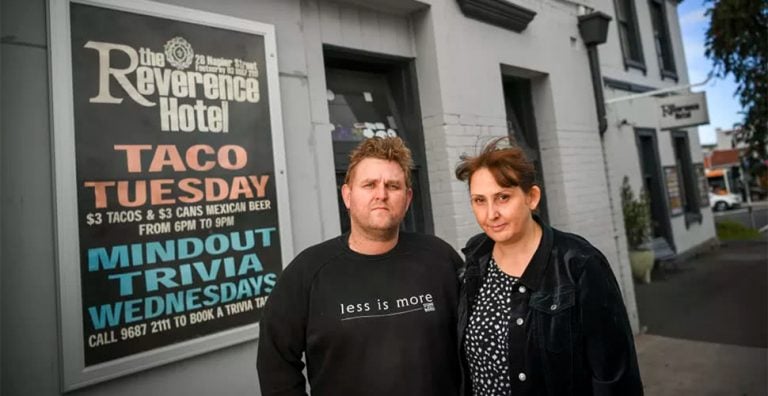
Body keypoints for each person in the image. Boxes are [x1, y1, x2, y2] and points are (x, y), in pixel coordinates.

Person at [257, 137, 461, 396]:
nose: (381, 194)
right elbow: (275, 363)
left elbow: (473, 342)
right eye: (369, 185)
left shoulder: (440, 258)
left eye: (393, 186)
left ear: (408, 198)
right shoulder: (307, 271)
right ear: (347, 195)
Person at [454, 137, 643, 396]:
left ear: (531, 197)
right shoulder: (476, 259)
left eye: (503, 197)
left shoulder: (579, 263)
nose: (491, 214)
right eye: (479, 200)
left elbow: (615, 378)